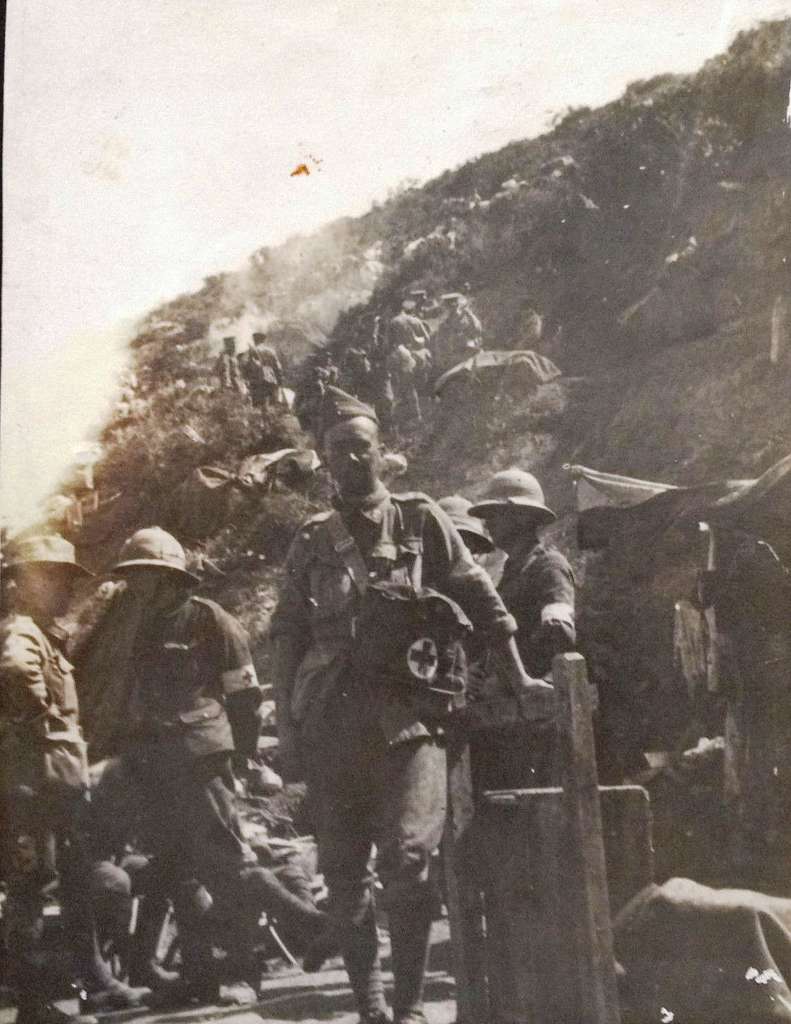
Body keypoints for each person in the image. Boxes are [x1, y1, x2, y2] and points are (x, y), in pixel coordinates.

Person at [270, 388, 549, 1024]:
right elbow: (286, 636)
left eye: (360, 450)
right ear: (323, 461)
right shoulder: (312, 540)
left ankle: (411, 1005)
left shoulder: (421, 520)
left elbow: (481, 599)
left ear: (381, 454)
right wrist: (286, 728)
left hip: (413, 718)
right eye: (337, 452)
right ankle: (370, 1008)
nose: (350, 462)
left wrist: (523, 676)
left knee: (410, 860)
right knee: (343, 873)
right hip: (332, 722)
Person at [80, 527, 326, 1004]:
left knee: (228, 866)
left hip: (199, 761)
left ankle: (253, 965)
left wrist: (241, 756)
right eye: (134, 576)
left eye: (149, 575)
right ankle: (198, 976)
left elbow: (246, 696)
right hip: (149, 764)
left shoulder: (208, 620)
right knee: (176, 873)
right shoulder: (130, 626)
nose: (139, 586)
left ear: (173, 578)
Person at [0, 536, 146, 1024]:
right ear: (23, 584)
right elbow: (16, 670)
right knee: (30, 892)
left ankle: (96, 983)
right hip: (30, 788)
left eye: (65, 580)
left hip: (54, 789)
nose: (63, 589)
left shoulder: (45, 634)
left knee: (78, 883)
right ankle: (34, 1006)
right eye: (51, 579)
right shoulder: (21, 632)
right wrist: (40, 719)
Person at [469, 469, 576, 789]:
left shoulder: (549, 565)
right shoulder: (512, 571)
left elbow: (558, 633)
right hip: (508, 709)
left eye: (496, 514)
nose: (488, 523)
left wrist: (514, 680)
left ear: (521, 517)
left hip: (537, 711)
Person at [242, 332, 284, 409]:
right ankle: (270, 419)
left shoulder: (250, 351)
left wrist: (246, 379)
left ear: (254, 340)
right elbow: (278, 367)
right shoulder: (271, 351)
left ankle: (260, 419)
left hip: (256, 381)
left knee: (258, 406)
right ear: (264, 340)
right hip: (270, 379)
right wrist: (280, 380)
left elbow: (245, 366)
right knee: (271, 405)